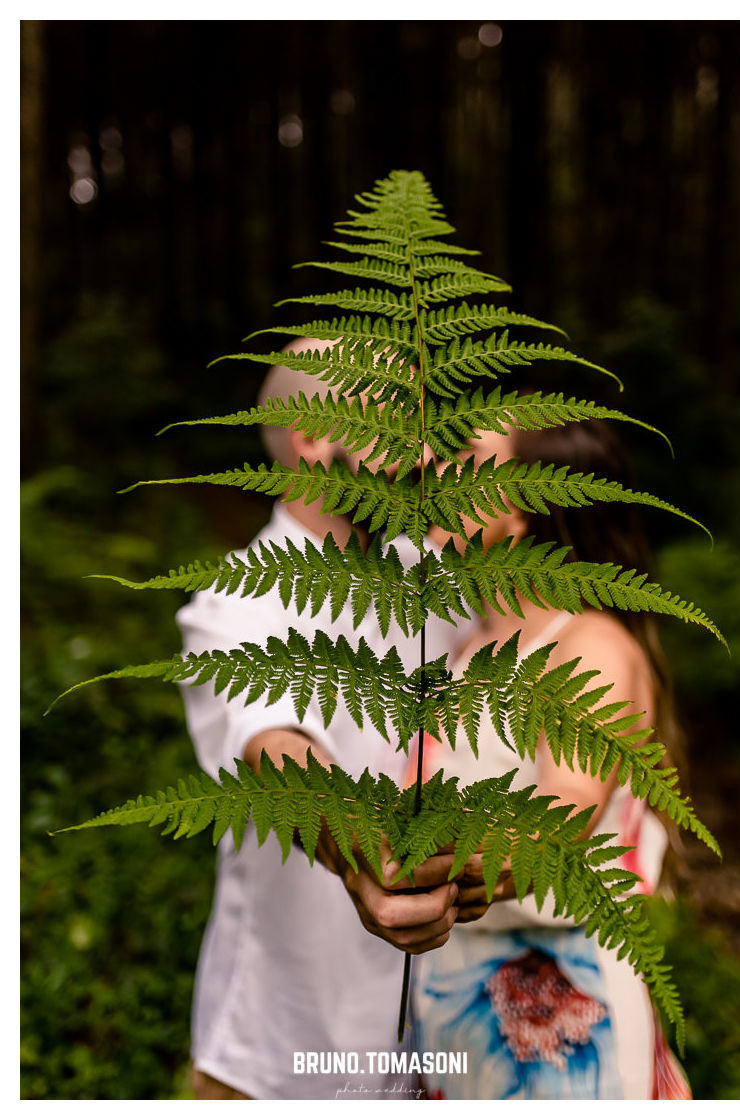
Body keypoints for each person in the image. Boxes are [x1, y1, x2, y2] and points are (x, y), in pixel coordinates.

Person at [175, 338, 505, 1100]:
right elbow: (278, 750)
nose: (418, 444)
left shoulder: (442, 587)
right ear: (312, 437)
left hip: (444, 1051)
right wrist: (365, 854)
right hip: (280, 1056)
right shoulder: (233, 608)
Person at [413, 419, 692, 1100]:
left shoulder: (587, 644)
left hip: (570, 1011)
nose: (433, 472)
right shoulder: (464, 647)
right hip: (453, 994)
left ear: (519, 506)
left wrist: (417, 865)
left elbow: (554, 825)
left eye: (464, 461)